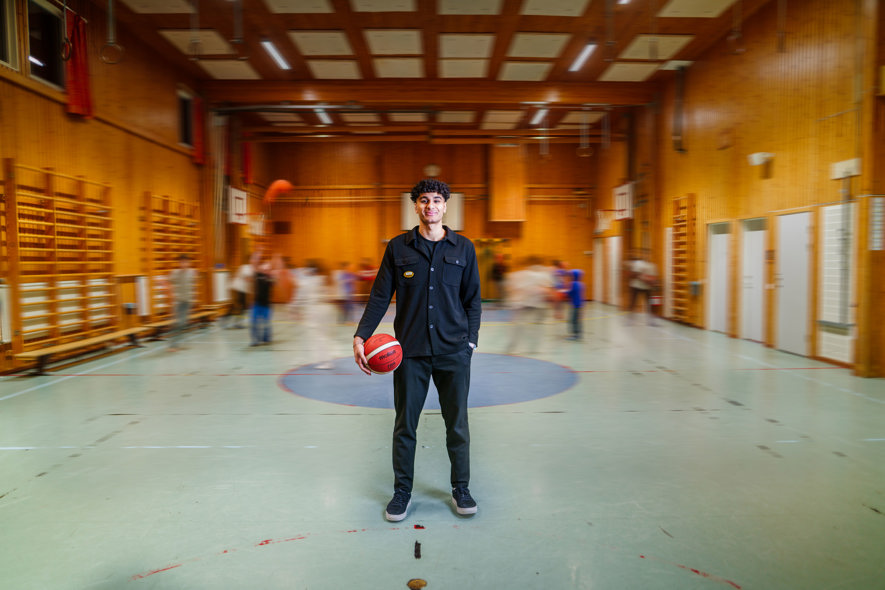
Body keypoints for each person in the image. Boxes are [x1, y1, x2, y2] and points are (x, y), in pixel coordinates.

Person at [353, 178, 482, 522]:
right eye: (424, 200)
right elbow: (380, 296)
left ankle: (461, 488)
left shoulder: (463, 248)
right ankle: (402, 492)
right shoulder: (398, 248)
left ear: (445, 206)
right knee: (404, 425)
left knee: (457, 424)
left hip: (454, 352)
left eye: (436, 200)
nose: (430, 206)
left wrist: (470, 343)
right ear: (415, 206)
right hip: (410, 353)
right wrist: (361, 335)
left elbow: (473, 301)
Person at [167, 254, 196, 351]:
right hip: (179, 302)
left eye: (186, 262)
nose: (183, 264)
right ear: (179, 263)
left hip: (187, 302)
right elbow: (168, 282)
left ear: (189, 263)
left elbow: (192, 286)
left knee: (183, 323)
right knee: (179, 323)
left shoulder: (192, 272)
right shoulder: (175, 273)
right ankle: (173, 345)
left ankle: (177, 344)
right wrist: (170, 297)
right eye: (181, 262)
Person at [626, 250, 659, 324]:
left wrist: (651, 282)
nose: (647, 256)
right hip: (636, 286)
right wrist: (641, 276)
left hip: (647, 288)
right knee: (632, 304)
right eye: (645, 254)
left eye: (648, 254)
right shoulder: (638, 264)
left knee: (650, 304)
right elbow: (633, 274)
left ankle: (651, 321)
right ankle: (629, 320)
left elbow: (654, 278)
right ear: (643, 255)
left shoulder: (652, 266)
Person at [250, 256, 277, 346]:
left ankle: (266, 338)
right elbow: (253, 264)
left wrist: (272, 274)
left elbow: (274, 283)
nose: (266, 270)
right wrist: (258, 255)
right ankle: (255, 340)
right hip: (257, 303)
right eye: (265, 268)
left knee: (266, 323)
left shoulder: (270, 278)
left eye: (268, 269)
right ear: (262, 268)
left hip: (266, 304)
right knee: (254, 322)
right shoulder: (258, 275)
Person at [226, 254, 255, 329]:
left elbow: (251, 282)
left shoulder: (253, 269)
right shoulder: (245, 267)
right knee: (237, 306)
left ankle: (237, 322)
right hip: (237, 288)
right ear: (250, 260)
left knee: (242, 307)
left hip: (243, 290)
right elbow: (247, 279)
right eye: (253, 259)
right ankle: (226, 318)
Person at [565, 268, 585, 340]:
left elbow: (571, 293)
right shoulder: (582, 284)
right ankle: (579, 334)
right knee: (578, 320)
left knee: (573, 320)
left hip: (574, 305)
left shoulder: (573, 284)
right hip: (580, 305)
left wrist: (564, 292)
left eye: (571, 275)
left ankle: (575, 335)